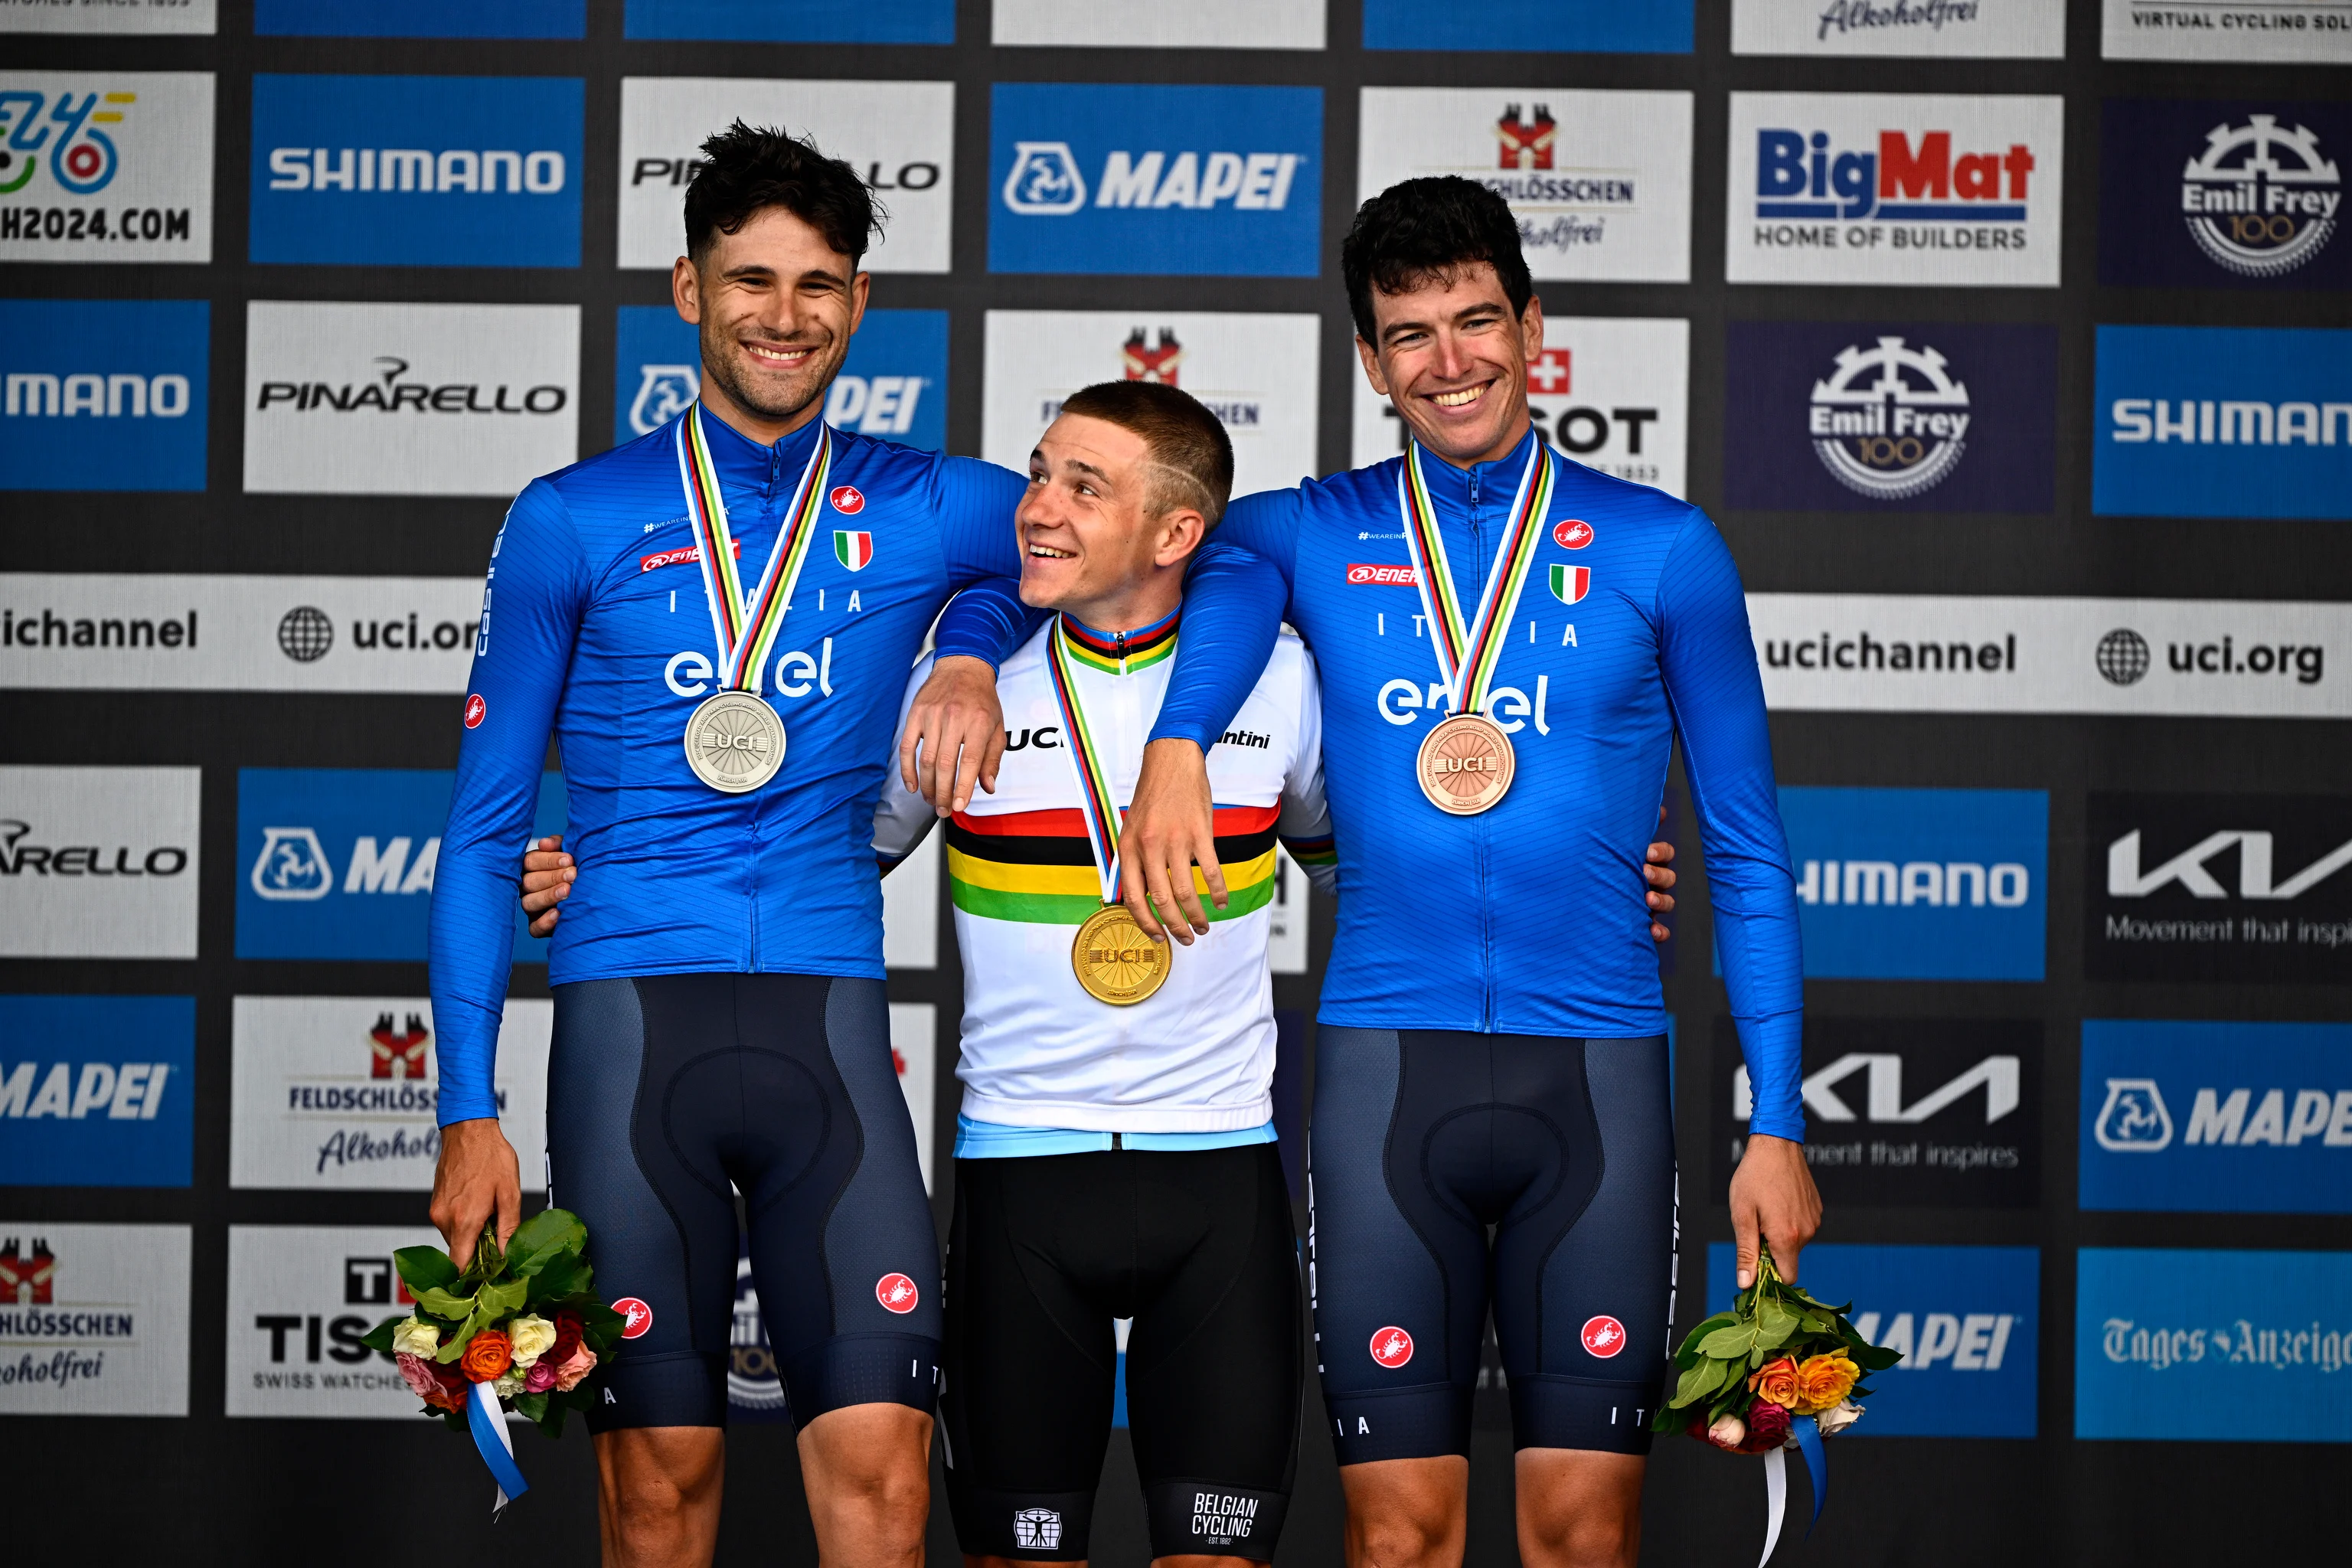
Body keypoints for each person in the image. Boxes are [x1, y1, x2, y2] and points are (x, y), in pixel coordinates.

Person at [520, 383, 1687, 1568]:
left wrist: (1585, 879)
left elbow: (1395, 871)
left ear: (1176, 534)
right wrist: (605, 874)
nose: (1037, 507)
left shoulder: (1281, 682)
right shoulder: (955, 682)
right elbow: (801, 855)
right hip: (1022, 1180)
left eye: (1085, 487)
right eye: (1037, 476)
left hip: (1219, 1184)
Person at [927, 176, 1821, 1568]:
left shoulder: (1667, 548)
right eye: (1410, 334)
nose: (1449, 360)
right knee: (1396, 1534)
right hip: (1383, 1081)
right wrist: (1125, 723)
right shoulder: (1301, 532)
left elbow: (1750, 851)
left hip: (1596, 1078)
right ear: (1369, 359)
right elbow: (1106, 563)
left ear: (1534, 325)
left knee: (1584, 1530)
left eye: (1477, 322)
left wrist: (1778, 1124)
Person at [423, 126, 1282, 1568]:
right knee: (657, 1501)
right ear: (687, 289)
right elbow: (481, 836)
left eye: (818, 283)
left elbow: (1217, 557)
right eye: (749, 278)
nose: (784, 313)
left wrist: (963, 644)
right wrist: (463, 1105)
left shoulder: (934, 500)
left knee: (885, 1492)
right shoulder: (573, 518)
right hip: (633, 1028)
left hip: (831, 1025)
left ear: (859, 304)